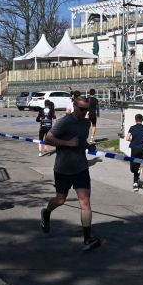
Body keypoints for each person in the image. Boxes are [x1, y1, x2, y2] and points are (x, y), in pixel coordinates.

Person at [39, 96, 100, 251]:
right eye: (82, 109)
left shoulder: (86, 123)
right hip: (63, 169)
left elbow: (81, 140)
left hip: (81, 168)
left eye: (87, 109)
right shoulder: (65, 122)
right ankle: (46, 212)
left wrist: (88, 146)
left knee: (85, 202)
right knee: (60, 200)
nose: (85, 112)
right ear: (74, 106)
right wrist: (67, 143)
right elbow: (48, 139)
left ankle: (87, 239)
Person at [125, 114, 143, 190]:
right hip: (142, 149)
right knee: (137, 165)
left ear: (135, 120)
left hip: (135, 149)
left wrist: (133, 140)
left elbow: (127, 138)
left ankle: (138, 171)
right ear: (142, 120)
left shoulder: (132, 128)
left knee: (132, 168)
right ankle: (135, 184)